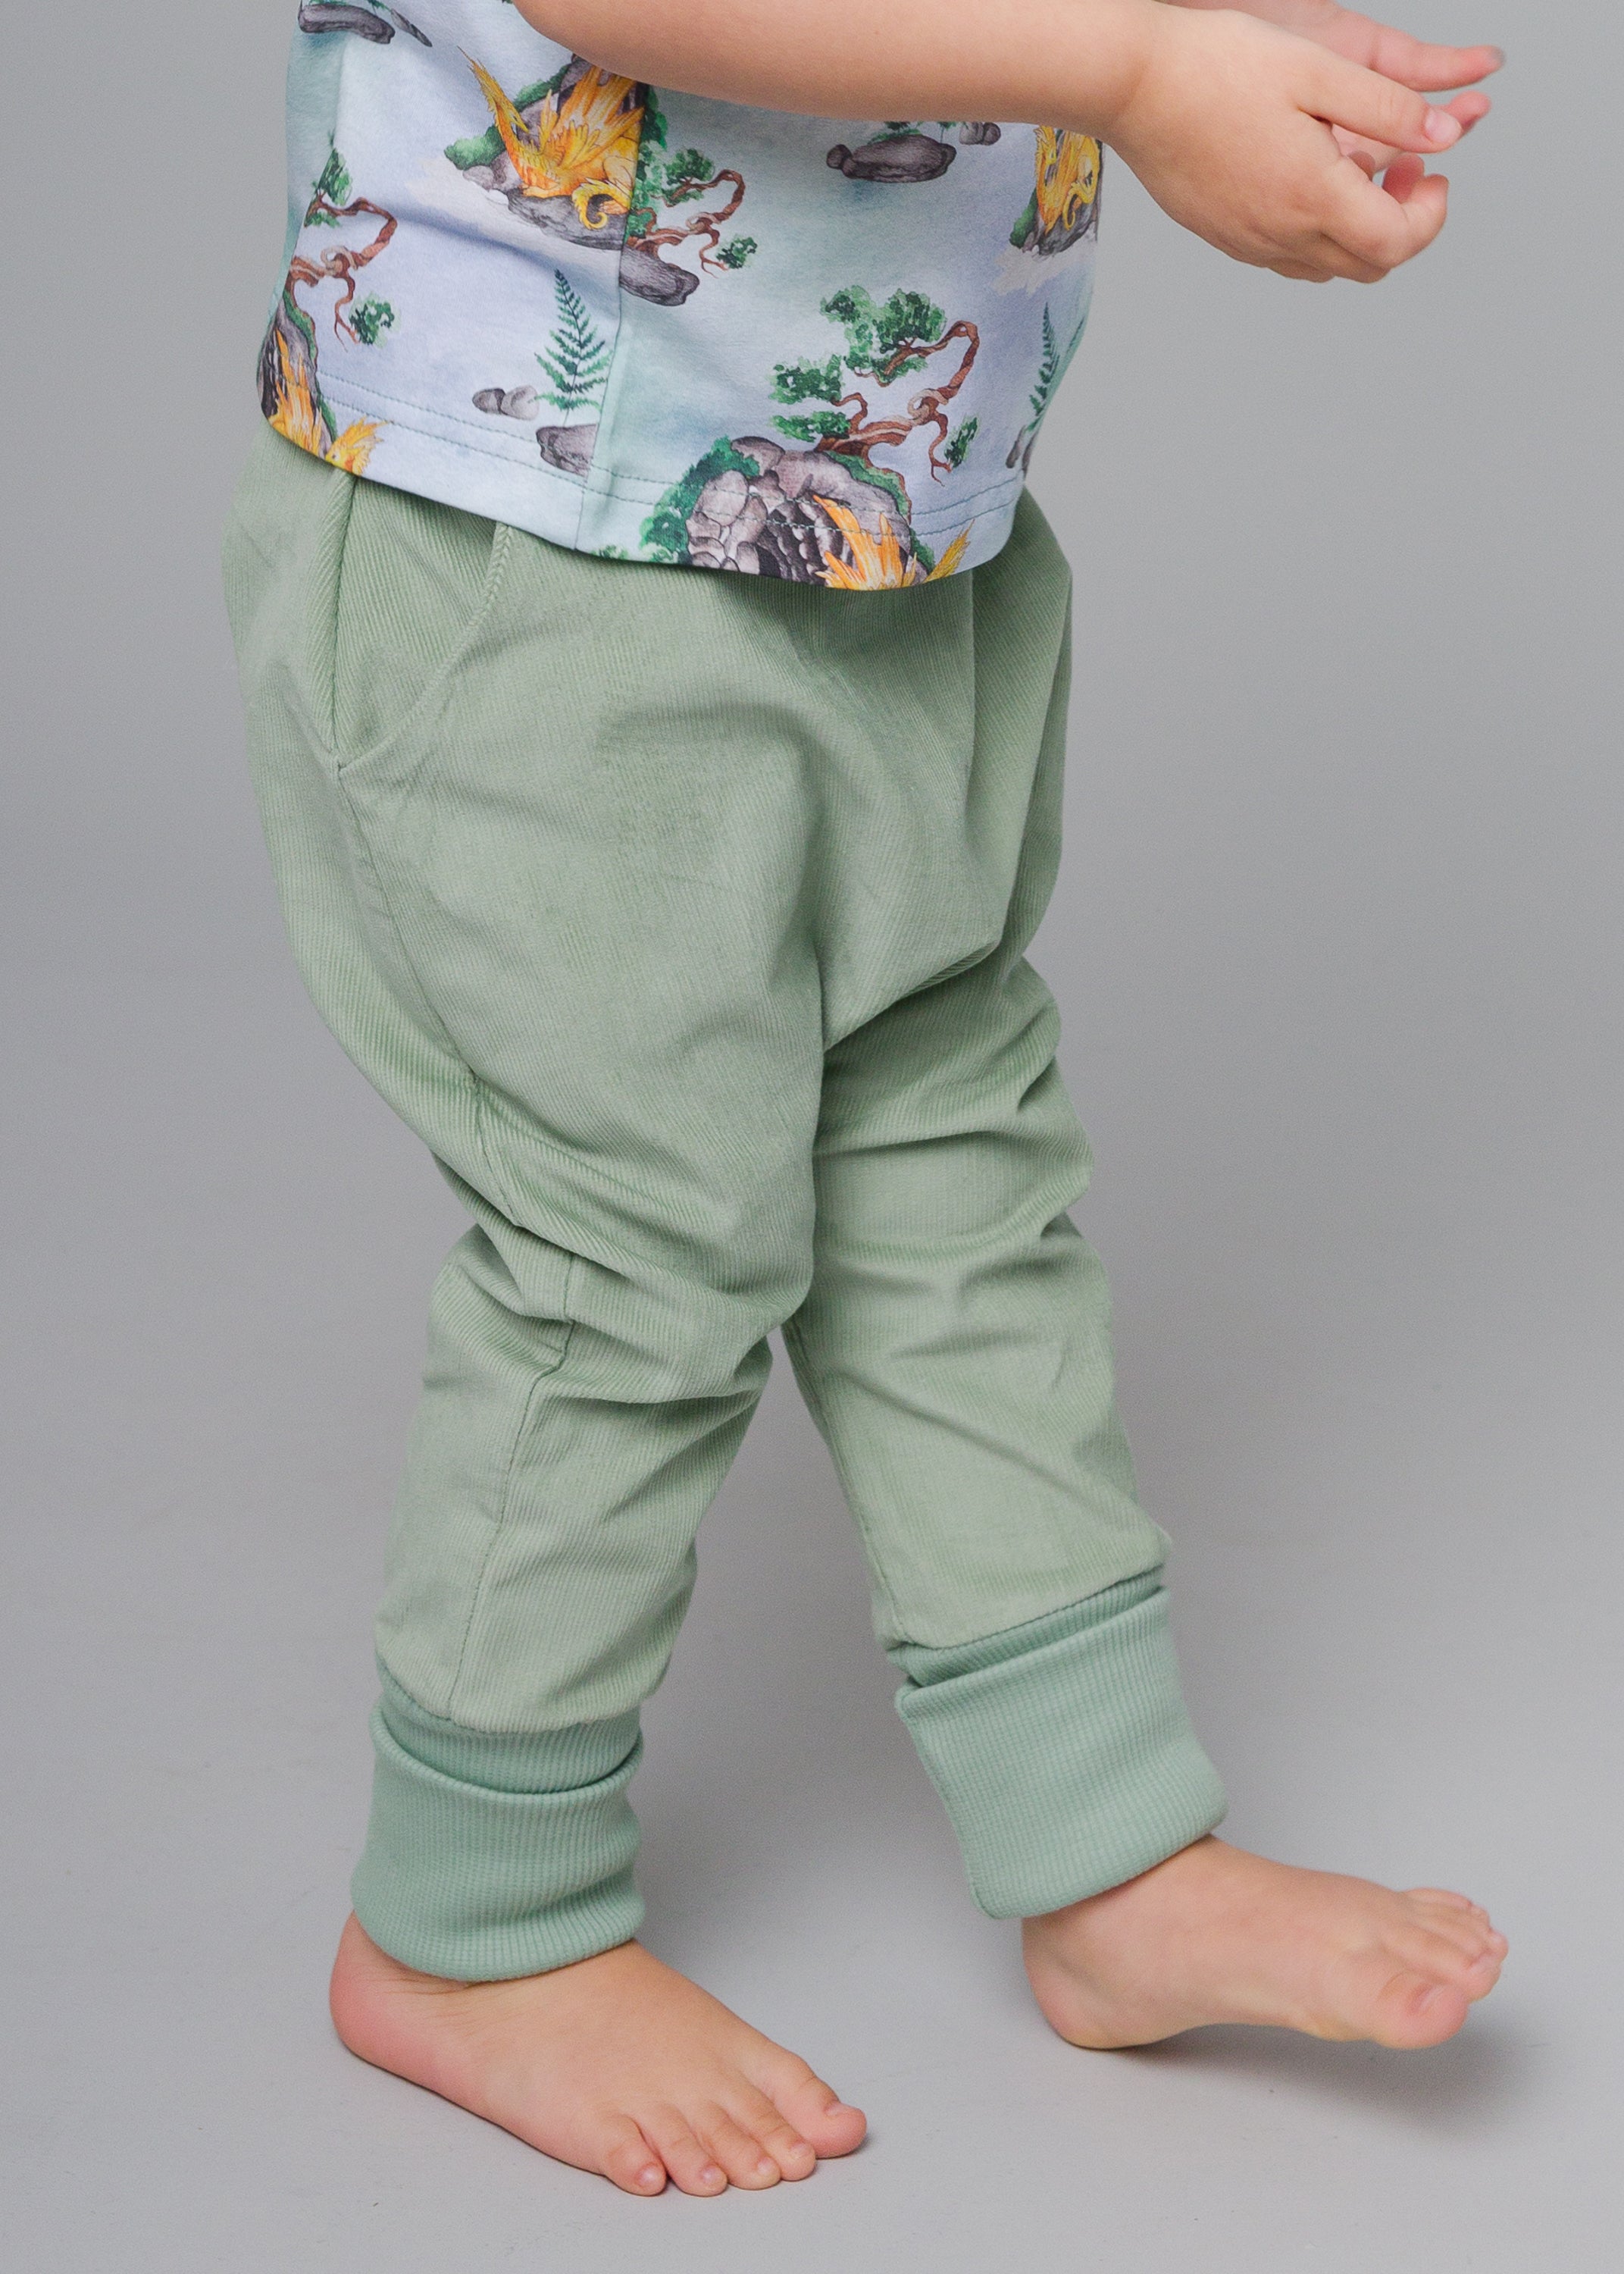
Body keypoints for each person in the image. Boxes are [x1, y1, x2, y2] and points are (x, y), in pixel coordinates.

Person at [224, 0, 1508, 2197]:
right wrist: (1134, 72)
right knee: (632, 1249)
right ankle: (469, 1918)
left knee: (950, 1162)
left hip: (896, 531)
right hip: (536, 546)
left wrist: (1205, 44)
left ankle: (1106, 1847)